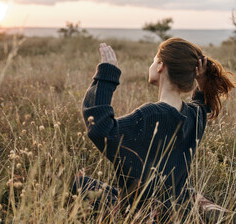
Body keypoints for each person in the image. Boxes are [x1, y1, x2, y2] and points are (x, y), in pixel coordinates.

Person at [71, 37, 235, 221]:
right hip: (173, 207)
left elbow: (100, 128)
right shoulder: (194, 116)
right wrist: (203, 82)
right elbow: (202, 104)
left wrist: (106, 75)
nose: (152, 64)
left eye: (154, 60)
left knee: (78, 184)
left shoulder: (151, 115)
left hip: (140, 213)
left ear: (160, 66)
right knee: (186, 192)